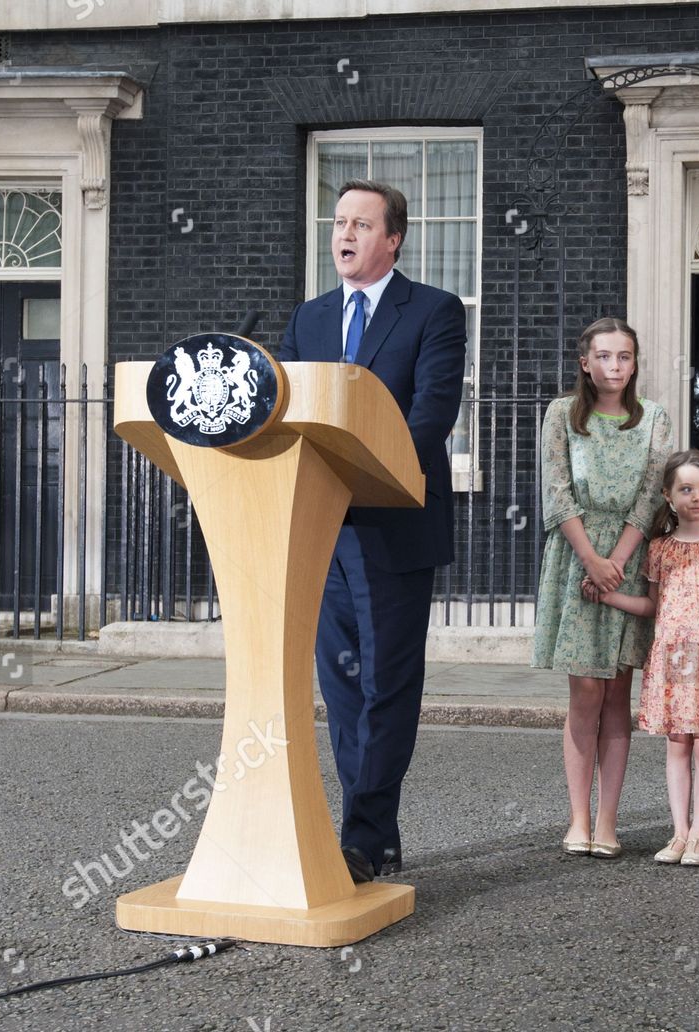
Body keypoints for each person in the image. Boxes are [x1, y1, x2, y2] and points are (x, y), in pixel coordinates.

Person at [278, 178, 466, 884]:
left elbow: (431, 415)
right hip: (326, 527)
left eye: (361, 223)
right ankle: (368, 833)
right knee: (343, 685)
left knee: (388, 681)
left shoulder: (436, 313)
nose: (345, 234)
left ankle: (366, 831)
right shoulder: (310, 318)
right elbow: (291, 410)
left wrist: (360, 473)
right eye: (338, 222)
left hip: (393, 525)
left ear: (393, 238)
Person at [532, 317, 672, 859]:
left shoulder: (654, 419)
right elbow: (557, 491)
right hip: (576, 557)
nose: (615, 367)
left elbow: (650, 497)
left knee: (617, 692)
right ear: (585, 363)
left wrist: (616, 560)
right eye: (605, 356)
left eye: (625, 357)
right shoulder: (561, 416)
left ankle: (608, 822)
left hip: (629, 558)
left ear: (635, 364)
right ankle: (578, 818)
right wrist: (591, 558)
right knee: (584, 693)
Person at [583, 449, 699, 868]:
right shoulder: (659, 549)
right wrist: (610, 597)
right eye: (686, 489)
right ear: (667, 495)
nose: (697, 497)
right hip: (676, 654)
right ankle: (679, 833)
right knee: (677, 743)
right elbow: (652, 606)